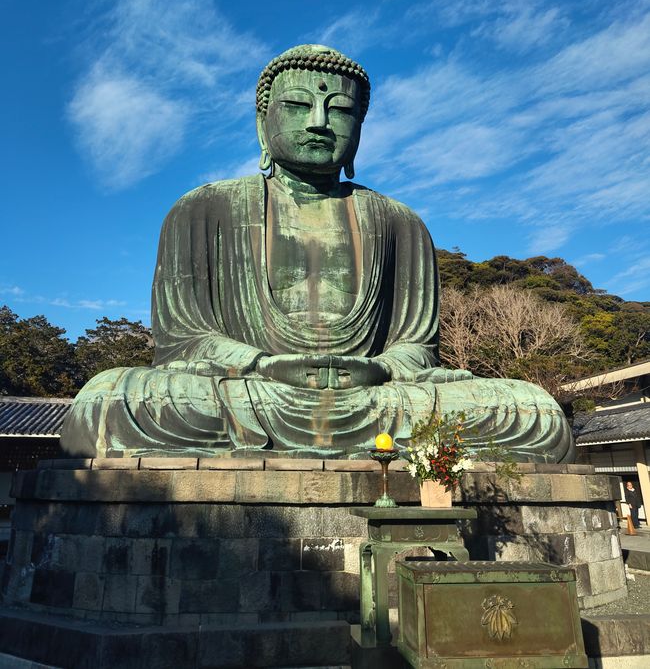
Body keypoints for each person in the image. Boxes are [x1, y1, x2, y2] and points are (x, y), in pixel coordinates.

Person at [61, 44, 575, 461]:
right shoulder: (203, 209)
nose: (319, 122)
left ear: (359, 131)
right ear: (262, 122)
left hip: (376, 397)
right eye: (297, 105)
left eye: (341, 111)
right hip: (251, 391)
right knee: (109, 401)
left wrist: (382, 368)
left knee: (534, 411)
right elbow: (183, 342)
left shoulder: (399, 222)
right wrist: (262, 364)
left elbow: (417, 347)